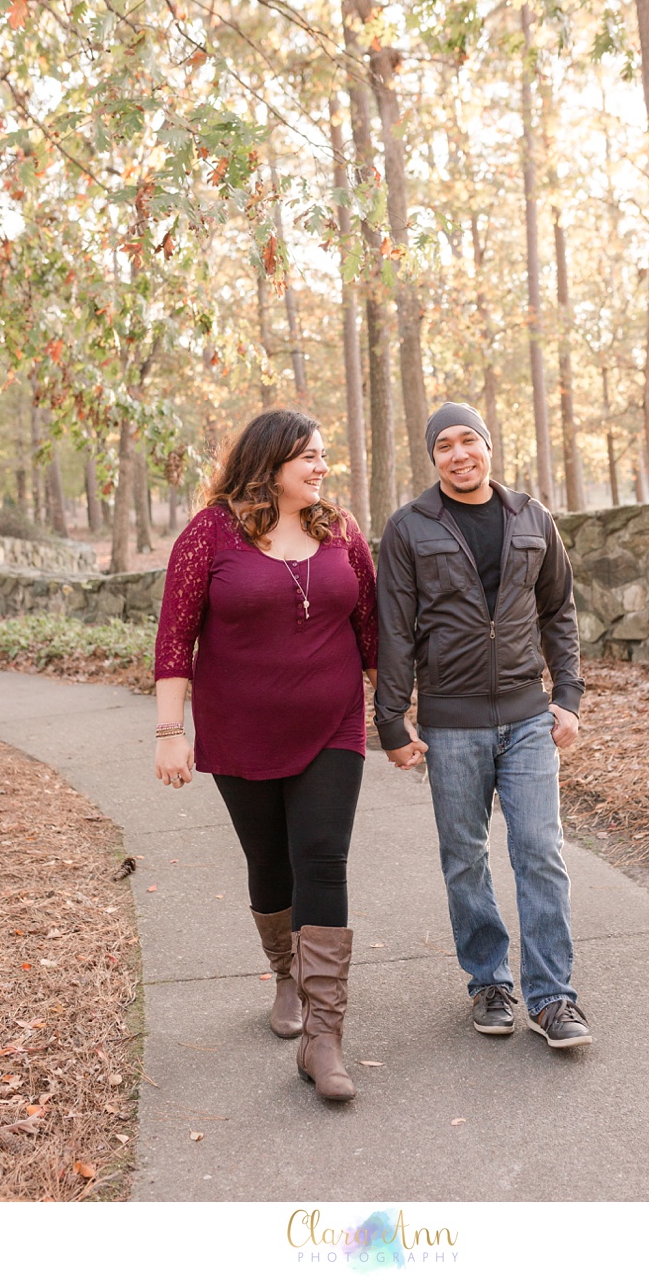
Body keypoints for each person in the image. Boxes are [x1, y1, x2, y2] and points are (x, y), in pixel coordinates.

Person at [153, 409, 378, 1101]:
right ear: (270, 462)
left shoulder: (338, 528)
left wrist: (396, 716)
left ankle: (324, 1035)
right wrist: (169, 730)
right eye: (308, 457)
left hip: (334, 722)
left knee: (322, 856)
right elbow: (174, 635)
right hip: (238, 726)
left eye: (323, 456)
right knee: (270, 861)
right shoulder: (210, 532)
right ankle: (285, 974)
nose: (321, 468)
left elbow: (371, 626)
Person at [374, 402, 591, 1048]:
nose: (459, 453)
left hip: (528, 716)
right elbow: (395, 632)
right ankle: (489, 981)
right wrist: (392, 718)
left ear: (489, 447)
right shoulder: (409, 529)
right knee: (465, 858)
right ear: (432, 456)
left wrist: (569, 695)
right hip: (451, 723)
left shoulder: (532, 518)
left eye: (469, 439)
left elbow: (559, 611)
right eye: (445, 444)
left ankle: (552, 997)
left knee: (541, 854)